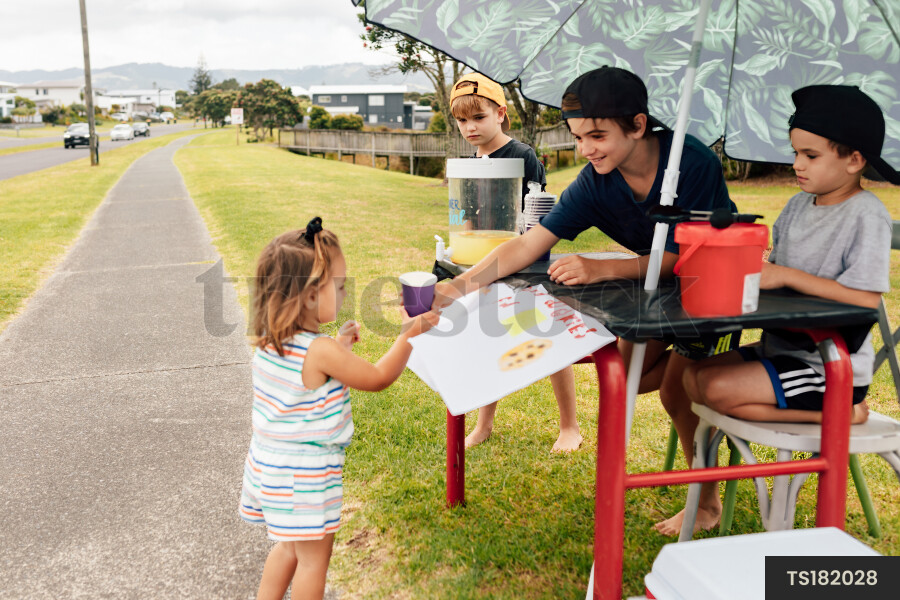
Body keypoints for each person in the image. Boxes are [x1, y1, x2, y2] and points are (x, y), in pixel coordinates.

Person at [433, 66, 737, 532]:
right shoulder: (597, 178)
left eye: (597, 135)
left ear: (638, 125)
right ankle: (710, 416)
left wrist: (605, 267)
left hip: (711, 289)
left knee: (678, 391)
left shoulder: (691, 163)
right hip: (652, 296)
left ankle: (709, 502)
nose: (585, 150)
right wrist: (456, 287)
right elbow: (527, 244)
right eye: (577, 138)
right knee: (629, 377)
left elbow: (684, 256)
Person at [681, 85, 898, 463]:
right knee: (692, 378)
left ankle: (846, 413)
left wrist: (785, 276)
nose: (797, 164)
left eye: (810, 155)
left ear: (854, 160)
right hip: (782, 347)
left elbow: (866, 299)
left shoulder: (867, 215)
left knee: (715, 389)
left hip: (828, 363)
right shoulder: (797, 207)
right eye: (796, 152)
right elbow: (770, 272)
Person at [239, 217, 438, 600]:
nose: (346, 293)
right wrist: (408, 335)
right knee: (314, 562)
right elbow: (378, 377)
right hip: (305, 477)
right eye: (341, 286)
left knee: (288, 549)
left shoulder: (271, 342)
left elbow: (306, 385)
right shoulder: (320, 351)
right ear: (310, 295)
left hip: (270, 468)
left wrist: (340, 347)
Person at [449, 72, 581, 452]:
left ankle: (569, 426)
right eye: (462, 120)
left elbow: (534, 217)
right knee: (488, 338)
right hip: (487, 264)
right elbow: (472, 215)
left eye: (478, 117)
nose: (470, 127)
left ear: (501, 113)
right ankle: (485, 423)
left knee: (550, 337)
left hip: (528, 266)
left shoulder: (522, 156)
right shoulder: (473, 159)